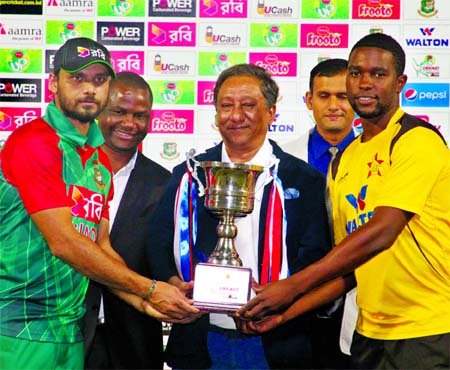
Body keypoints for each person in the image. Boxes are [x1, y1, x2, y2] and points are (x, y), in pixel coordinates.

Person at [237, 33, 450, 369]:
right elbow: (348, 265)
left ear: (400, 83)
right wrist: (283, 315)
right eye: (356, 73)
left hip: (427, 330)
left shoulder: (417, 141)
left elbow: (382, 232)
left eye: (378, 75)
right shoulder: (344, 161)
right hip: (366, 334)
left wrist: (291, 287)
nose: (365, 84)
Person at [0, 37, 198, 370]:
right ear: (53, 83)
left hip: (69, 331)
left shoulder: (97, 162)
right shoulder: (34, 143)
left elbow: (100, 244)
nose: (89, 89)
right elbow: (64, 242)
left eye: (99, 80)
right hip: (20, 327)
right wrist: (149, 289)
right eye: (77, 78)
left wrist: (141, 301)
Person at [149, 63, 332, 369]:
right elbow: (158, 242)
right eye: (226, 106)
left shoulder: (304, 180)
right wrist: (172, 282)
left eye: (248, 105)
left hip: (278, 340)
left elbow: (317, 259)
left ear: (272, 113)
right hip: (201, 335)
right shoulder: (190, 174)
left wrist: (282, 301)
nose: (235, 116)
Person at [83, 72, 170, 369]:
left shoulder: (166, 184)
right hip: (67, 336)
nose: (130, 124)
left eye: (140, 115)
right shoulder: (66, 171)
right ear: (99, 112)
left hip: (135, 343)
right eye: (119, 112)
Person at [283, 58, 357, 369]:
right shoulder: (282, 160)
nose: (334, 105)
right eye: (324, 96)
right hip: (291, 302)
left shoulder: (383, 161)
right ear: (309, 100)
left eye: (343, 96)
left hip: (358, 299)